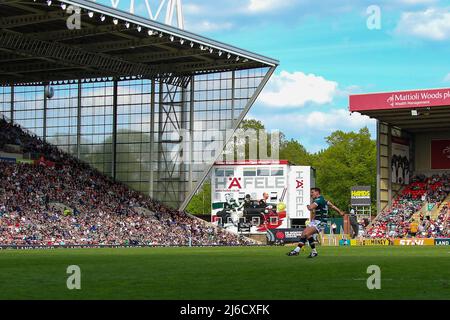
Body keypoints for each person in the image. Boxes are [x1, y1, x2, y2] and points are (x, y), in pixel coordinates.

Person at [287, 187, 346, 258]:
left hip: (320, 221)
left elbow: (310, 208)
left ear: (317, 192)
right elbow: (332, 206)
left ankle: (303, 251)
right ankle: (304, 251)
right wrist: (339, 211)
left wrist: (308, 206)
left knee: (307, 233)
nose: (311, 194)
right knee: (304, 234)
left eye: (312, 192)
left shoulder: (318, 200)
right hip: (316, 221)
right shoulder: (324, 200)